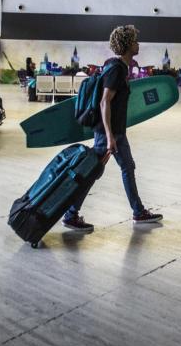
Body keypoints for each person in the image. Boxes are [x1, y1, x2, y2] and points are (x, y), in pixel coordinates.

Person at [62, 25, 162, 232]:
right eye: (134, 41)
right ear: (126, 45)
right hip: (107, 133)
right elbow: (104, 102)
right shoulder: (116, 69)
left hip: (115, 132)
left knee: (125, 167)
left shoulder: (120, 67)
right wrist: (109, 136)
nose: (138, 44)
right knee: (92, 172)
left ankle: (138, 211)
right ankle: (71, 214)